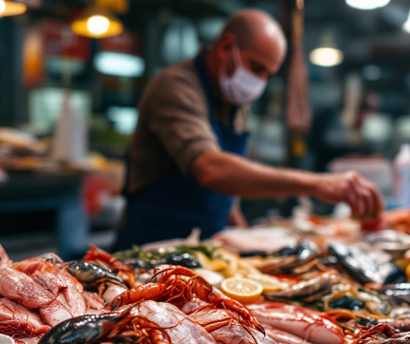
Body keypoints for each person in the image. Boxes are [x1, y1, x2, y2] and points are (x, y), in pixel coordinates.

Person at [115, 9, 382, 249]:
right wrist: (316, 183)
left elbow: (226, 189)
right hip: (151, 246)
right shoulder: (176, 86)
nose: (260, 82)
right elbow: (211, 169)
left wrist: (244, 236)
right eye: (256, 68)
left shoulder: (235, 103)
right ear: (226, 47)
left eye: (268, 74)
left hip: (204, 248)